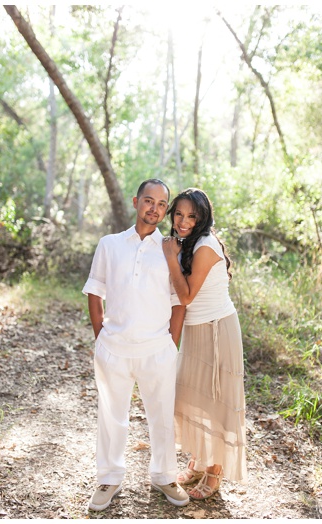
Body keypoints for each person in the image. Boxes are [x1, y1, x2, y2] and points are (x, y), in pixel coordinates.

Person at [83, 179, 189, 511]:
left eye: (161, 204)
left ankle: (164, 475)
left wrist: (171, 344)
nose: (154, 208)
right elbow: (94, 291)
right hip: (114, 347)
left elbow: (179, 302)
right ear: (135, 202)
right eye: (148, 201)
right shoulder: (110, 244)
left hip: (156, 349)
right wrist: (100, 336)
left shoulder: (172, 250)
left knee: (161, 416)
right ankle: (109, 478)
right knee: (112, 415)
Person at [162, 188, 247, 500]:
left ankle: (215, 471)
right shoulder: (187, 243)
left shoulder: (206, 245)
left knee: (216, 400)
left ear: (203, 218)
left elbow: (186, 295)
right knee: (190, 397)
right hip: (195, 331)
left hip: (216, 329)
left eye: (191, 216)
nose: (183, 221)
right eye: (179, 214)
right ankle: (199, 461)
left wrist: (170, 257)